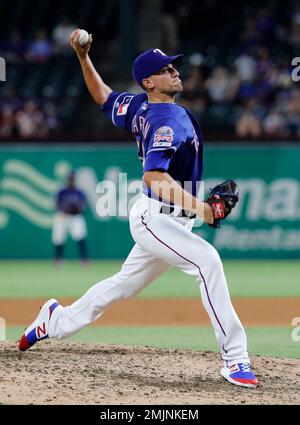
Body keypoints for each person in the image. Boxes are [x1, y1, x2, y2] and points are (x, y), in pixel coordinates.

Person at [18, 29, 258, 389]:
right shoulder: (165, 121)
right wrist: (205, 211)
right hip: (155, 219)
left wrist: (84, 58)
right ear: (149, 81)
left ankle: (54, 320)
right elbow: (153, 177)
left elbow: (102, 96)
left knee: (122, 286)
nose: (175, 72)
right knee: (208, 262)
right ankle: (235, 358)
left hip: (169, 220)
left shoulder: (138, 106)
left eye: (174, 67)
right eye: (166, 70)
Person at [52, 170, 88, 265]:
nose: (71, 180)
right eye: (70, 178)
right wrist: (64, 209)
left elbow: (83, 206)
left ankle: (84, 259)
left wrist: (76, 208)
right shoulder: (62, 191)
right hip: (63, 216)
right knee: (58, 238)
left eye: (73, 178)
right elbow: (56, 204)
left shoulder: (79, 192)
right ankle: (58, 259)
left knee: (80, 236)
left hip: (75, 216)